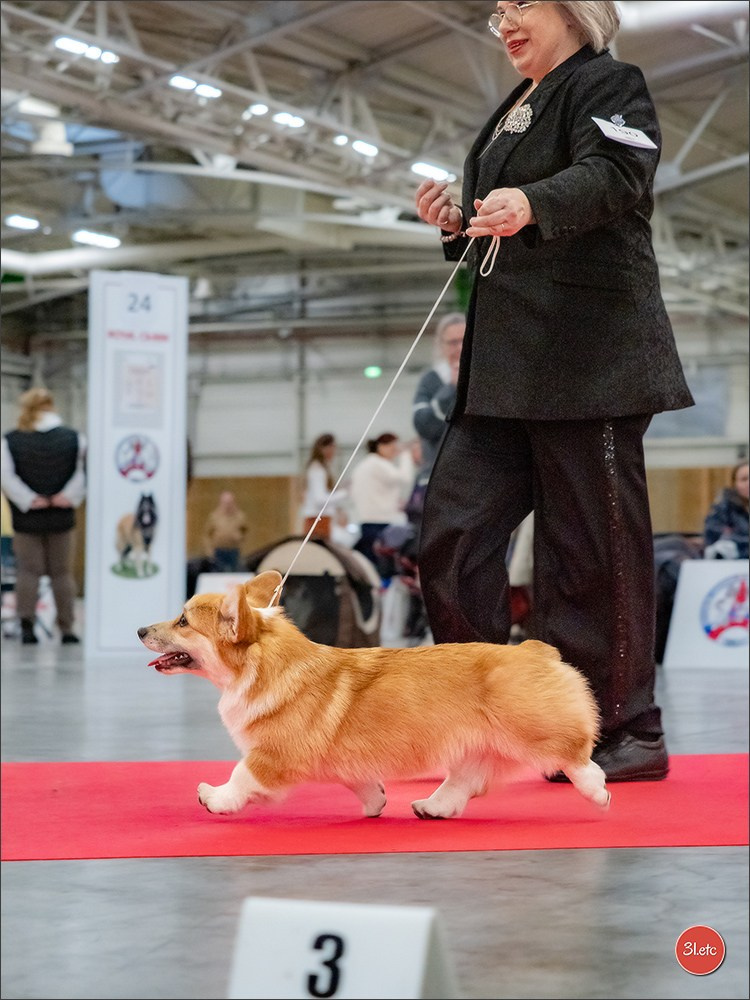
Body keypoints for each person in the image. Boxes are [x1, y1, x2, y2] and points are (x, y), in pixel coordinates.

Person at [414, 1, 694, 782]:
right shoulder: (516, 105)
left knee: (590, 557)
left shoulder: (609, 82)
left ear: (573, 9)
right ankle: (487, 715)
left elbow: (617, 175)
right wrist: (457, 221)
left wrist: (533, 201)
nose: (504, 20)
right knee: (452, 534)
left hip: (589, 361)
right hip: (505, 372)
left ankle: (624, 728)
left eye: (522, 4)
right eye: (496, 10)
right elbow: (504, 228)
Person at [1, 387, 86, 644]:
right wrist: (66, 496)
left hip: (26, 517)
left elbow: (6, 476)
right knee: (62, 573)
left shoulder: (10, 439)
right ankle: (67, 629)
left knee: (28, 572)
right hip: (62, 515)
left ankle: (26, 626)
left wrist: (29, 499)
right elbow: (82, 472)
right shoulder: (74, 438)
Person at [412, 313, 466, 491]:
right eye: (453, 342)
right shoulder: (431, 379)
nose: (460, 347)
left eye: (464, 340)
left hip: (479, 481)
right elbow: (423, 426)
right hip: (439, 482)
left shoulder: (487, 379)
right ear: (441, 346)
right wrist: (451, 388)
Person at [350, 433, 415, 567]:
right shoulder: (378, 464)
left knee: (370, 562)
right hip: (380, 522)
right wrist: (406, 454)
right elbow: (405, 478)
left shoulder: (364, 465)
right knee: (381, 564)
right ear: (381, 447)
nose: (395, 452)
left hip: (368, 520)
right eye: (393, 448)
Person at [300, 433, 351, 544]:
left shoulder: (322, 468)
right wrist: (344, 493)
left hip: (322, 519)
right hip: (317, 520)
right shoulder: (317, 470)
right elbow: (320, 500)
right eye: (333, 447)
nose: (334, 452)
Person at [703, 460, 749, 560]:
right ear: (734, 483)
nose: (748, 483)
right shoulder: (723, 507)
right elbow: (713, 533)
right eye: (744, 479)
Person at [203, 491, 247, 572]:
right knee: (218, 572)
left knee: (234, 573)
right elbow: (207, 535)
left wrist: (240, 539)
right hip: (219, 552)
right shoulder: (214, 517)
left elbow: (245, 532)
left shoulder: (240, 517)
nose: (228, 505)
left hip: (234, 551)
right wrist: (209, 551)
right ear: (221, 503)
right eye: (225, 503)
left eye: (230, 503)